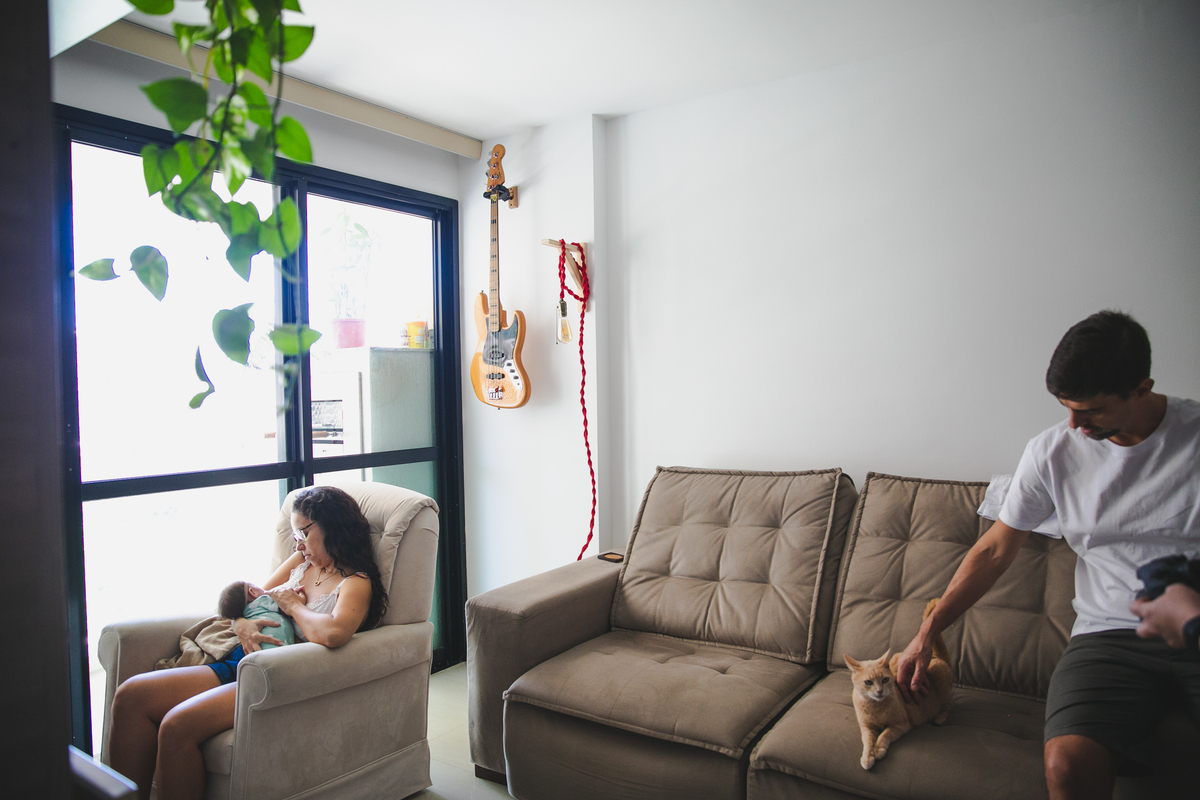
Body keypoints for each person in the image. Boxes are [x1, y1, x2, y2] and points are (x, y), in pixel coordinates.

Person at [894, 310, 1200, 800]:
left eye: (1092, 411)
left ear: (1141, 390)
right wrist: (928, 631)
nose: (1075, 425)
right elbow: (995, 548)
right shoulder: (1051, 451)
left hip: (1194, 621)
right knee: (1066, 763)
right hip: (1109, 635)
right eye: (1066, 408)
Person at [109, 486, 389, 800]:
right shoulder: (302, 561)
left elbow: (334, 633)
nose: (298, 542)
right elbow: (253, 599)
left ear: (331, 526)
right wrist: (240, 624)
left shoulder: (357, 582)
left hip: (278, 675)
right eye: (295, 534)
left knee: (176, 725)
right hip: (240, 660)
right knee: (131, 696)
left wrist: (293, 606)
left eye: (303, 533)